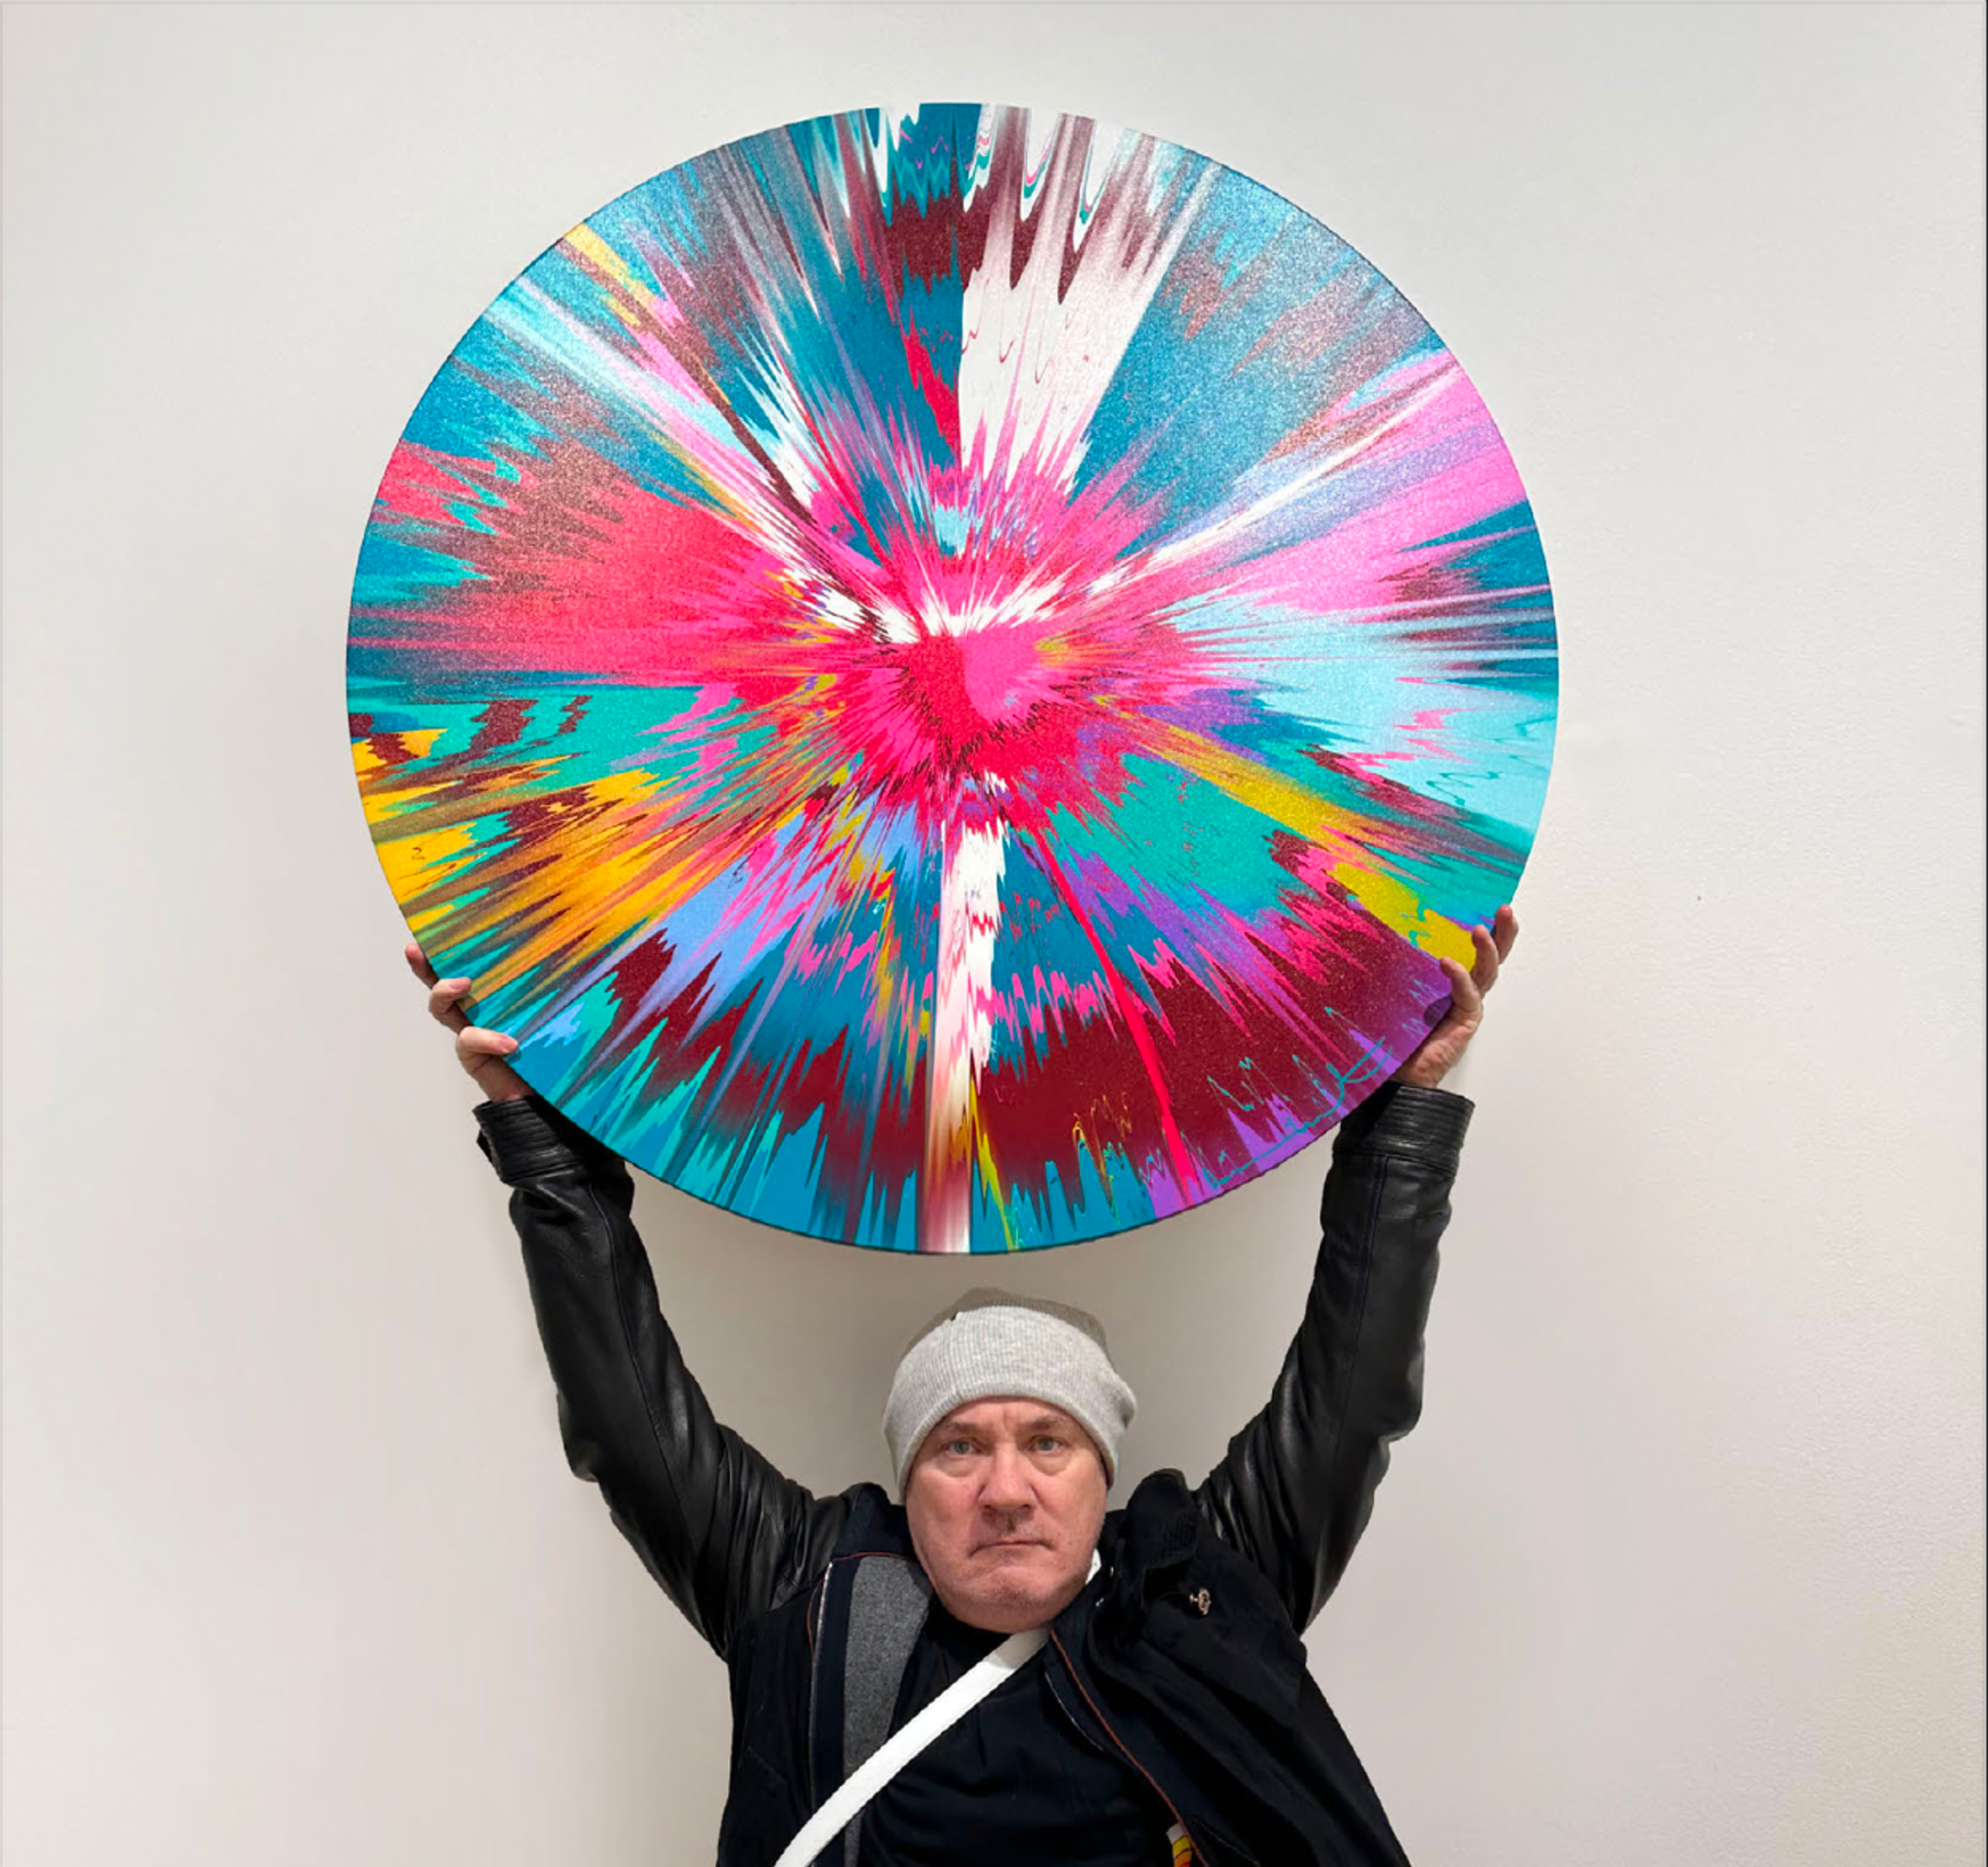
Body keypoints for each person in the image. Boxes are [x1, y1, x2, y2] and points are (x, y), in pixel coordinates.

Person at [408, 906, 1518, 1865]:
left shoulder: (1199, 1597)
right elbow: (624, 1419)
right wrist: (541, 1135)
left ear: (1103, 1475)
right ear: (905, 1479)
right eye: (958, 1447)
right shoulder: (806, 1591)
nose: (1004, 1488)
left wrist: (1405, 1113)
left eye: (1049, 1443)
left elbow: (1354, 1394)